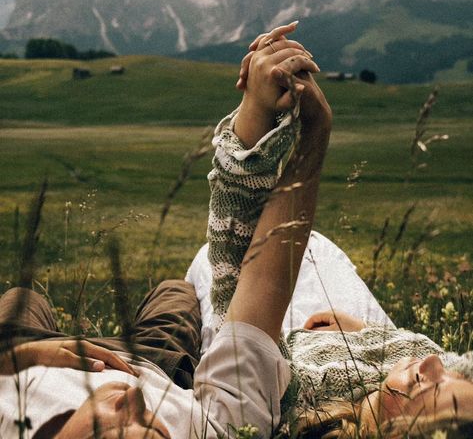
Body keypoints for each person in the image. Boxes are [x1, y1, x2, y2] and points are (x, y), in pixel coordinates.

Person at [0, 21, 331, 439]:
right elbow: (259, 288)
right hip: (154, 362)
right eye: (154, 430)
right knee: (178, 293)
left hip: (14, 351)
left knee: (20, 298)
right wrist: (310, 133)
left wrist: (17, 358)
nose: (134, 401)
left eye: (116, 432)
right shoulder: (214, 431)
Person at [186, 23, 473, 438]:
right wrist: (373, 336)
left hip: (270, 320)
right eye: (454, 377)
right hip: (347, 323)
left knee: (211, 260)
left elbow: (239, 247)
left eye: (435, 389)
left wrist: (263, 114)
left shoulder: (282, 411)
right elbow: (443, 359)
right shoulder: (417, 366)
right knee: (317, 248)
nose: (434, 367)